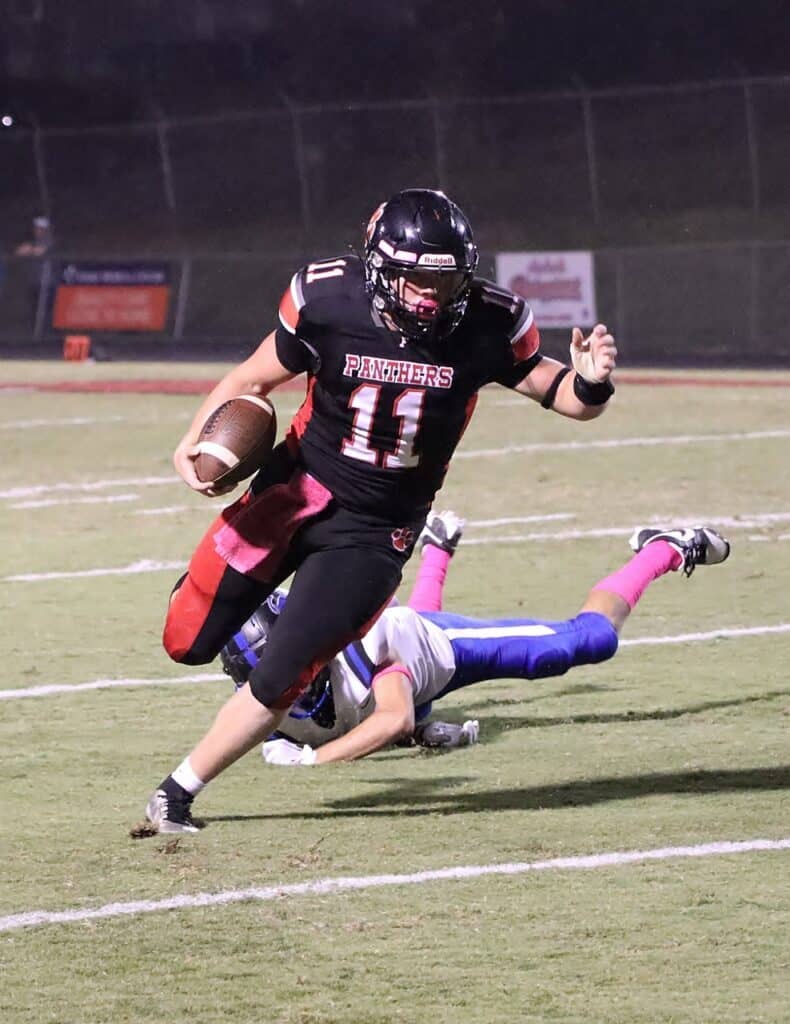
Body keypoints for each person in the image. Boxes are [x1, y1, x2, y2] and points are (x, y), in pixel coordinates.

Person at [145, 188, 618, 833]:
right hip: (292, 492)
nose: (431, 293)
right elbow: (251, 380)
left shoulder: (487, 322)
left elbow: (561, 393)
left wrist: (589, 380)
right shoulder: (326, 299)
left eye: (445, 277)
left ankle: (176, 793)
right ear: (379, 268)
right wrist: (194, 439)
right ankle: (238, 610)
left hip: (374, 533)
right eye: (417, 277)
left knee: (283, 673)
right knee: (187, 641)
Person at [213, 511, 730, 776]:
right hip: (409, 662)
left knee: (590, 640)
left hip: (435, 650)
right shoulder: (263, 706)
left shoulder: (369, 646)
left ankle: (662, 549)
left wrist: (313, 762)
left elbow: (395, 718)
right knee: (413, 657)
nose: (283, 684)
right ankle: (438, 547)